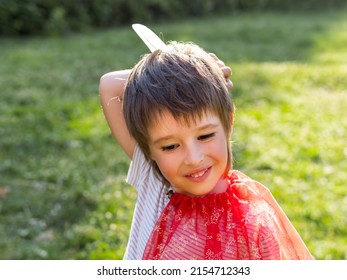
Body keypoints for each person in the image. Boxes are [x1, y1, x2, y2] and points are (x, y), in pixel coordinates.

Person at [99, 41, 313, 260]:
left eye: (205, 136)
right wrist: (185, 72)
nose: (193, 158)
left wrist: (204, 75)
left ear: (228, 123)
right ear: (149, 148)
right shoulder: (155, 181)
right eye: (171, 146)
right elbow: (109, 86)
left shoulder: (251, 217)